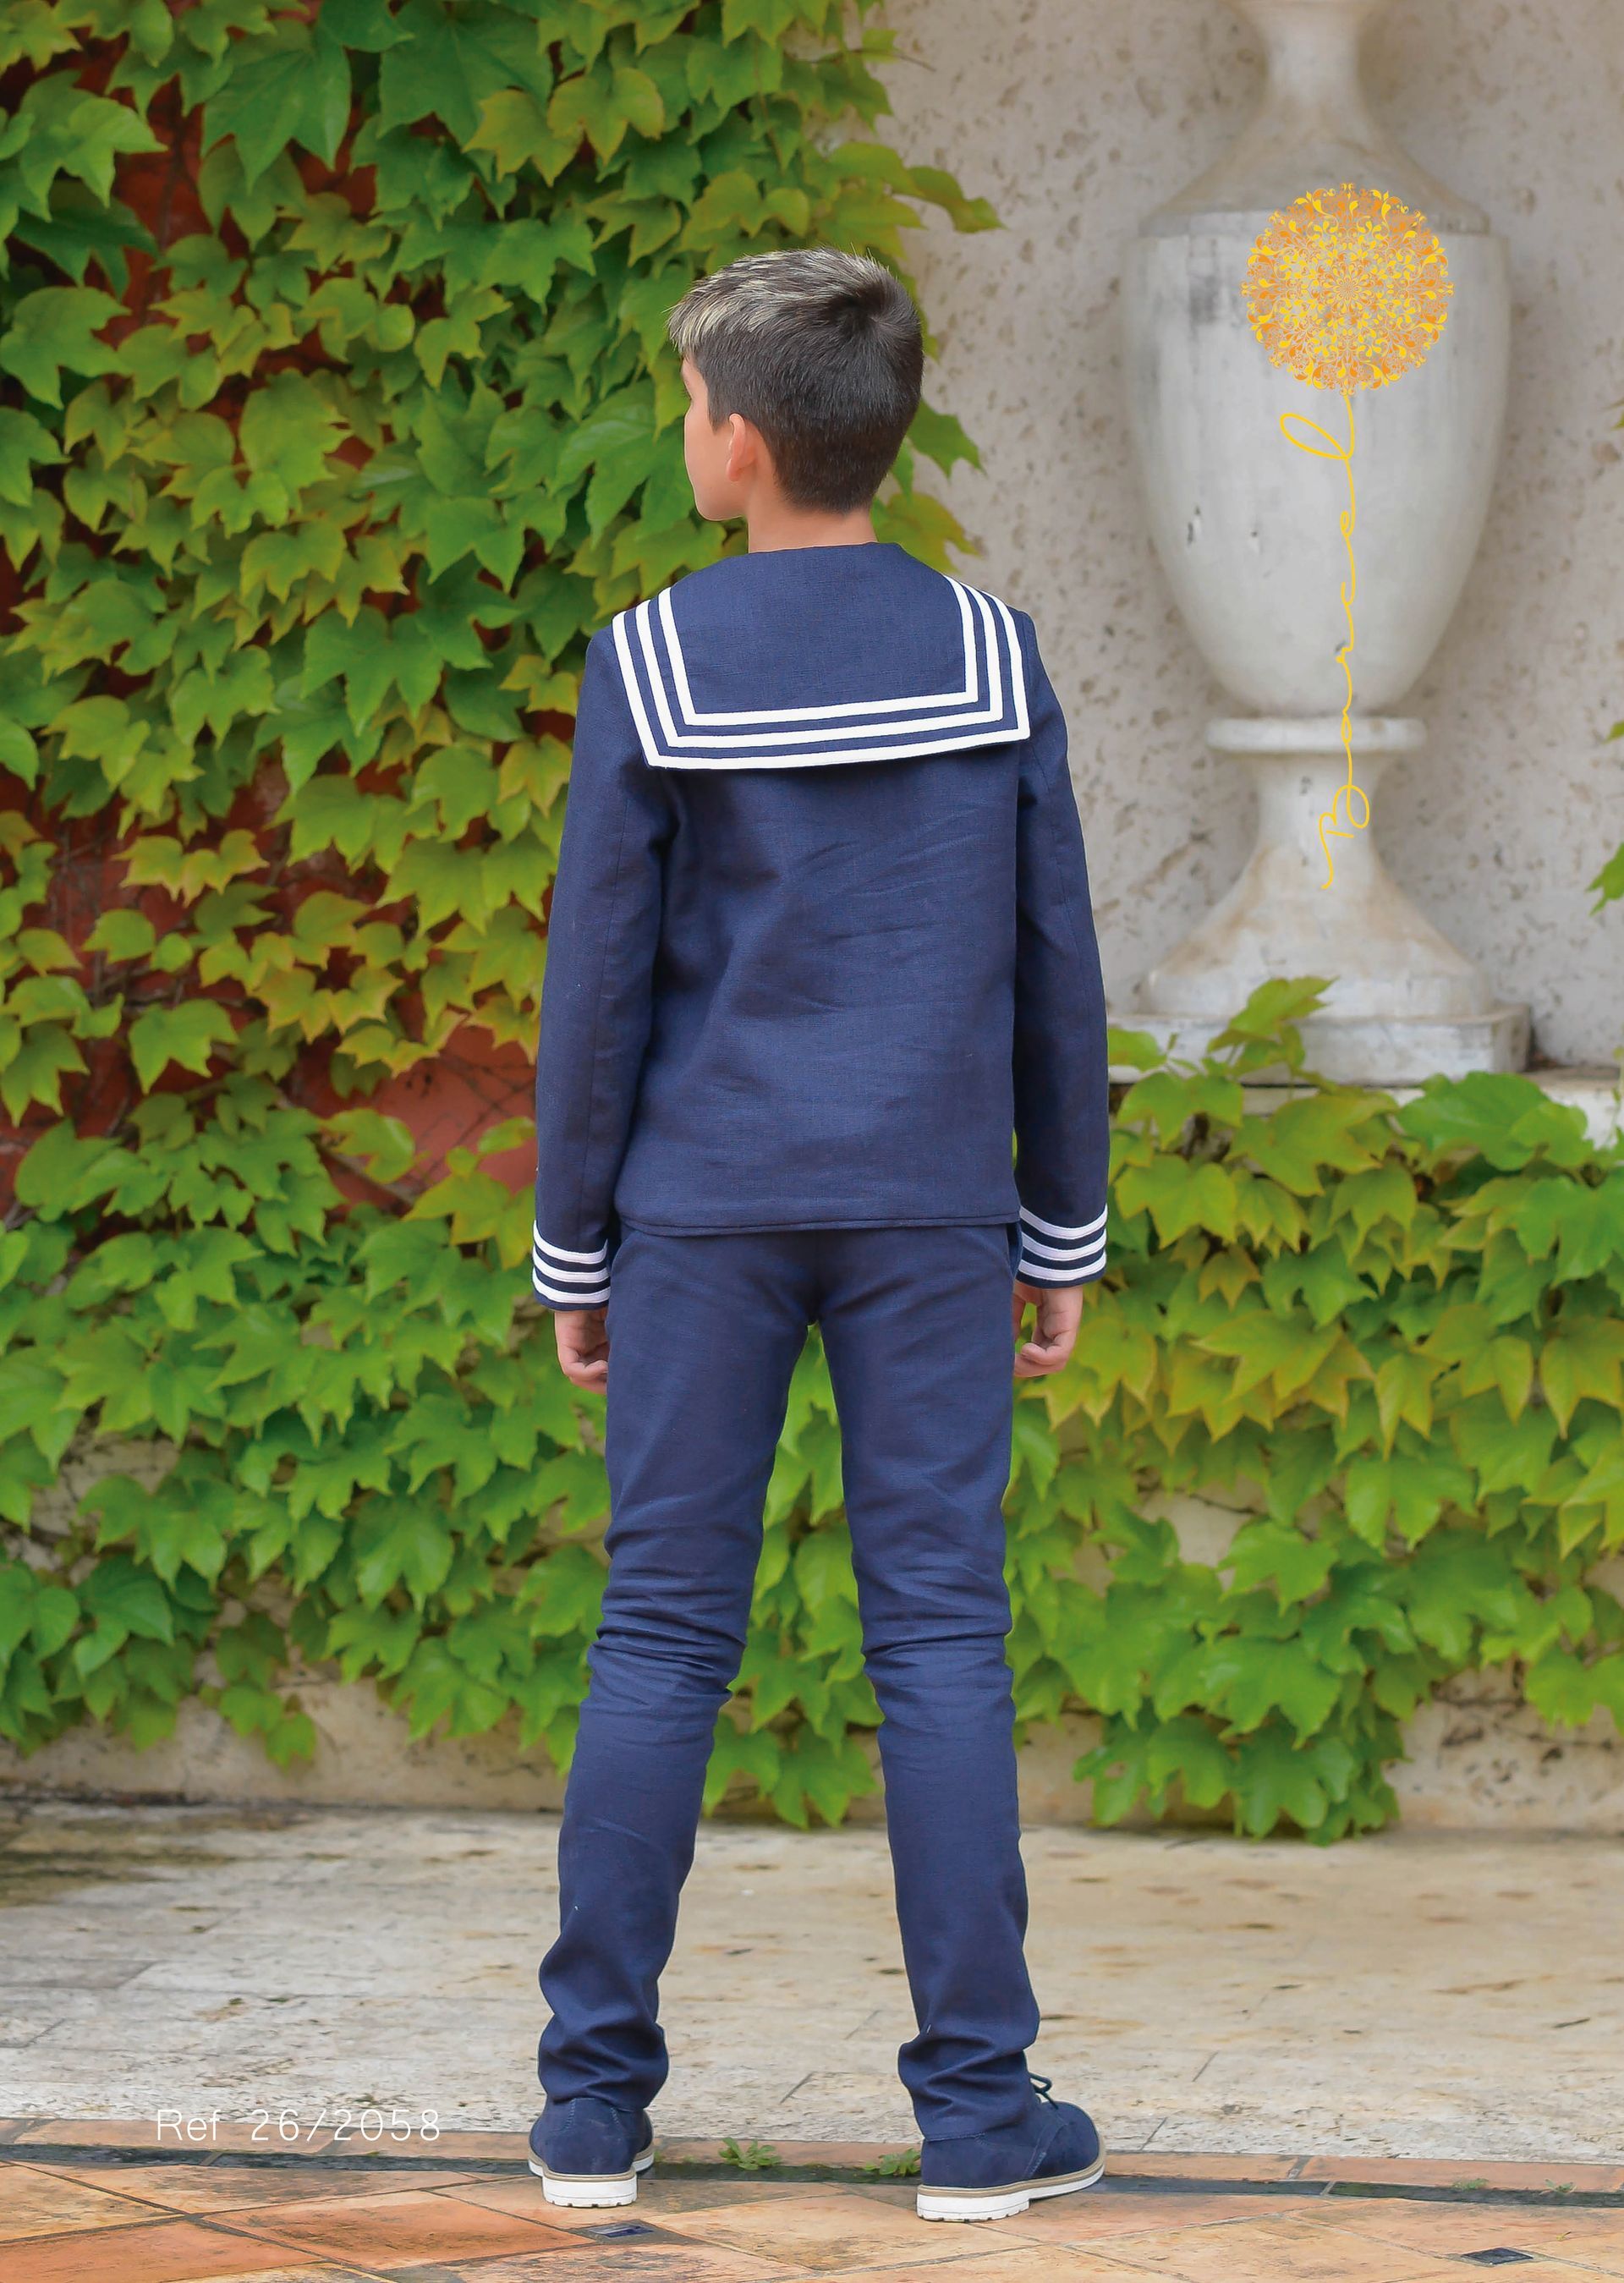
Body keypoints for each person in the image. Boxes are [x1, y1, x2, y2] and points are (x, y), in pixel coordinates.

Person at [526, 246, 1111, 2227]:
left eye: (692, 404)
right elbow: (1056, 965)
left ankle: (590, 2110)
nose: (686, 431)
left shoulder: (652, 661)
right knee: (940, 1634)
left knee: (660, 1631)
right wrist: (1062, 1225)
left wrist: (576, 1252)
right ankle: (979, 2121)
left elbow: (598, 989)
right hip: (933, 1207)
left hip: (700, 1212)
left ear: (743, 448)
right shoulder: (992, 652)